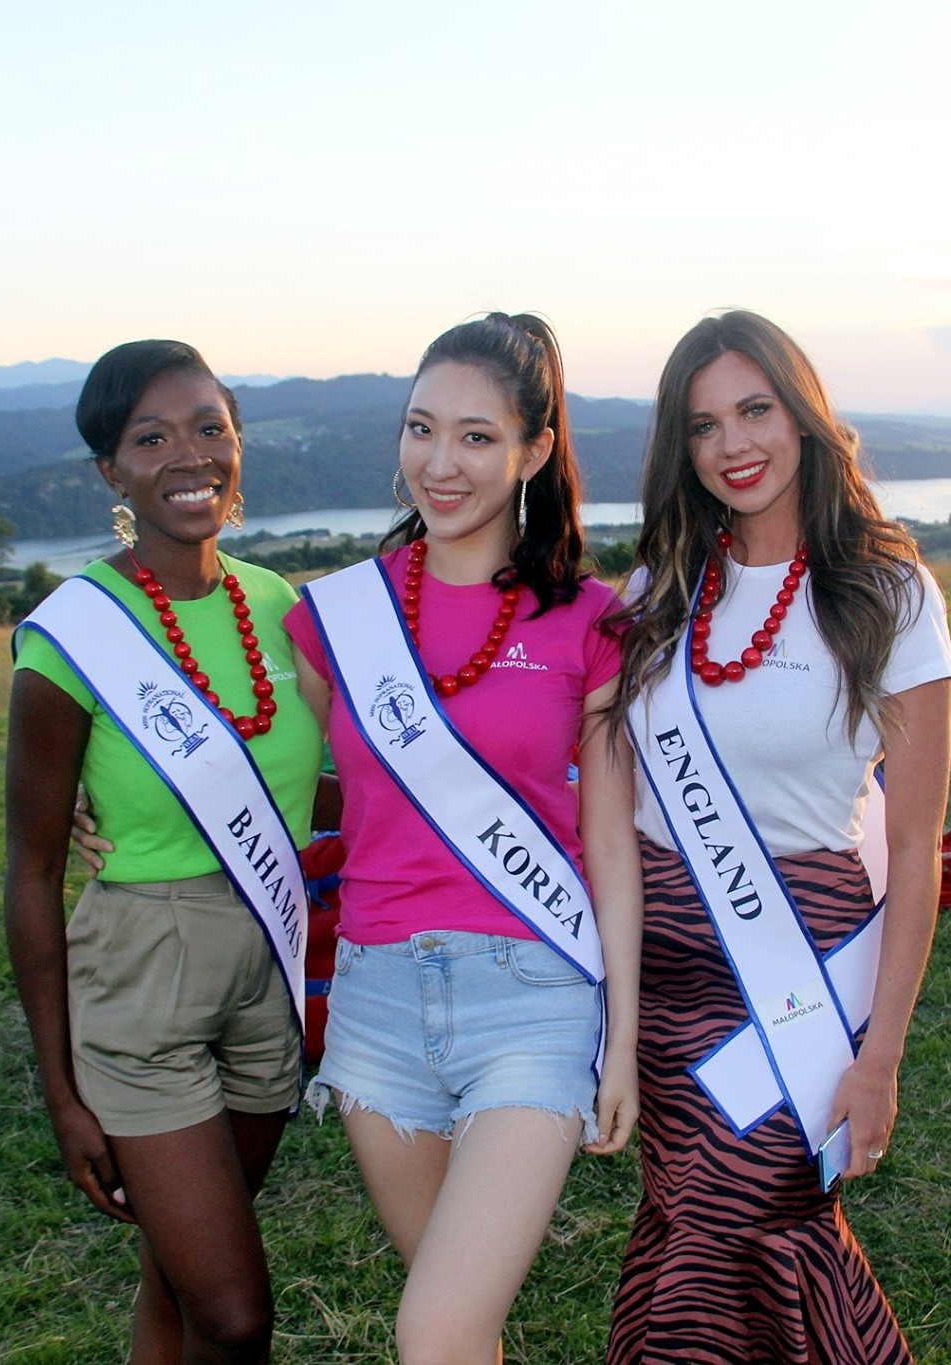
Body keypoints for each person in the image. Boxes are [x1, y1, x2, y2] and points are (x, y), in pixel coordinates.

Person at [280, 313, 642, 1364]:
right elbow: (302, 787)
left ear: (534, 450)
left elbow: (608, 844)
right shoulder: (333, 621)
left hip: (530, 1000)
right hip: (374, 1010)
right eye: (420, 429)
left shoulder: (587, 622)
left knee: (431, 1332)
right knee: (460, 1330)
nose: (440, 464)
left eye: (477, 438)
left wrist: (618, 1038)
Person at [606, 311, 951, 1363]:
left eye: (754, 409)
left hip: (796, 971)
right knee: (690, 1220)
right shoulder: (656, 595)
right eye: (703, 424)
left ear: (803, 417)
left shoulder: (884, 592)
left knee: (751, 1222)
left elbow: (915, 844)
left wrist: (880, 1056)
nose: (732, 444)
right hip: (665, 976)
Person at [5, 339, 328, 1364]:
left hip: (268, 970)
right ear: (111, 469)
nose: (189, 458)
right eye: (151, 438)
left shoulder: (281, 607)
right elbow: (29, 873)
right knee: (233, 1315)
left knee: (179, 1275)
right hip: (142, 971)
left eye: (209, 430)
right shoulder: (69, 638)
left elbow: (317, 788)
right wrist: (60, 1090)